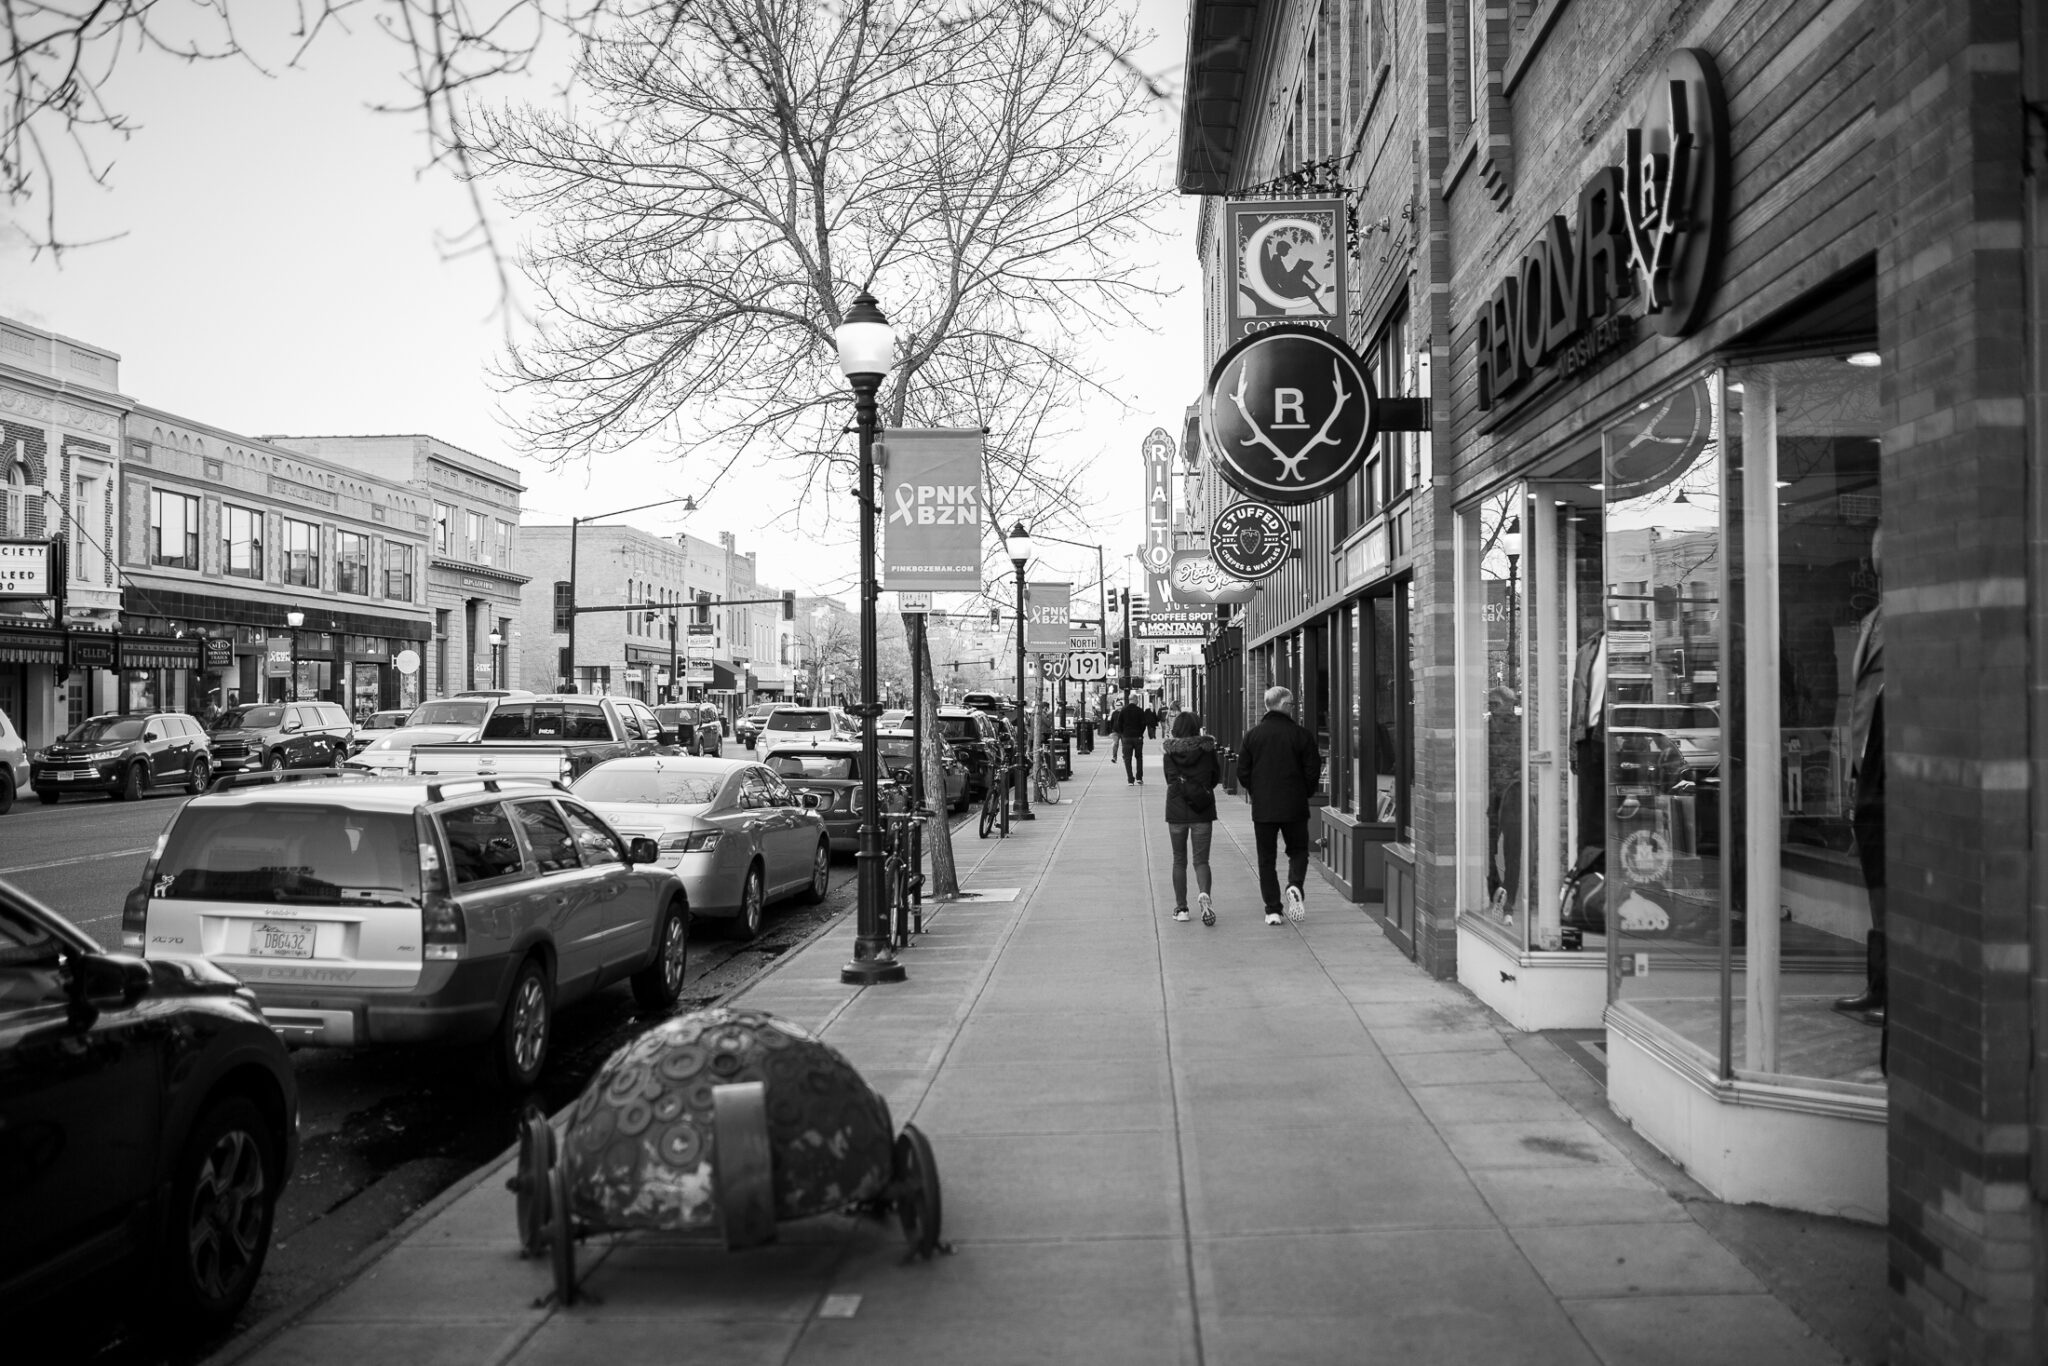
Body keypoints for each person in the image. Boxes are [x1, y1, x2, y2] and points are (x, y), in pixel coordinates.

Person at [1237, 685, 1323, 925]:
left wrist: (1257, 792)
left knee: (1266, 859)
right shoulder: (1301, 735)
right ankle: (1294, 884)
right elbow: (1312, 771)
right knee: (1298, 851)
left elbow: (1242, 772)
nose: (1294, 708)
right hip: (1294, 806)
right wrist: (1303, 792)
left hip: (1264, 808)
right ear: (1284, 706)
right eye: (1292, 704)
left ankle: (1272, 910)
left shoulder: (1253, 736)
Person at [1161, 711, 1222, 925]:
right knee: (1201, 860)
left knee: (1179, 860)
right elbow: (1216, 777)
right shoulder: (1207, 750)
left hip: (1176, 811)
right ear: (1197, 727)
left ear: (1176, 728)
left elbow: (1170, 779)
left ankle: (1182, 909)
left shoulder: (1169, 752)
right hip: (1202, 811)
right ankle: (1204, 894)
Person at [1111, 691, 1155, 784]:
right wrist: (1140, 733)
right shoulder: (1139, 710)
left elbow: (1119, 723)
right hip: (1137, 737)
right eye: (1137, 700)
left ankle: (1130, 779)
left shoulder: (1123, 710)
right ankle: (1139, 778)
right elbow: (1143, 724)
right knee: (1139, 757)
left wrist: (1123, 733)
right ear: (1135, 700)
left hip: (1126, 737)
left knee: (1127, 758)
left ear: (1129, 700)